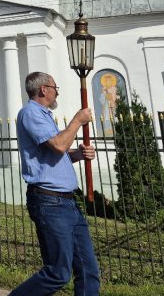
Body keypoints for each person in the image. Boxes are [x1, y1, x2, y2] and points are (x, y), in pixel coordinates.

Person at [9, 72, 100, 296]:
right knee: (57, 273)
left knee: (88, 269)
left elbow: (54, 154)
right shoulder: (30, 113)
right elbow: (59, 145)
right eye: (55, 88)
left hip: (67, 202)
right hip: (49, 202)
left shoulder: (45, 115)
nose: (57, 92)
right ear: (43, 89)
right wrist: (78, 120)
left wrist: (78, 154)